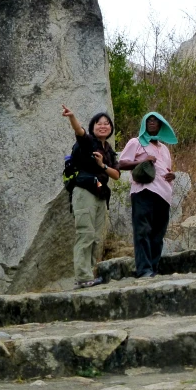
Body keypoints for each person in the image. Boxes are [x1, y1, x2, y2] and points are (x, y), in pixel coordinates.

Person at [61, 105, 120, 289]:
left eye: (106, 124)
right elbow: (79, 132)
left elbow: (116, 175)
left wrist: (102, 165)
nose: (103, 126)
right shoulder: (89, 142)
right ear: (93, 127)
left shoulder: (108, 150)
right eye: (98, 123)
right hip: (84, 190)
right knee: (85, 234)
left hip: (100, 193)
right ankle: (82, 277)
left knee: (95, 237)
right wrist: (72, 117)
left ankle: (89, 273)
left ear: (111, 128)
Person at [118, 112, 178, 278]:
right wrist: (142, 161)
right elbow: (121, 163)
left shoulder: (164, 149)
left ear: (161, 125)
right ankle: (144, 270)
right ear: (144, 124)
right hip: (143, 192)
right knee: (142, 231)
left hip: (163, 195)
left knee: (158, 234)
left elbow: (166, 170)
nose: (152, 123)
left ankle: (153, 268)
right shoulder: (135, 142)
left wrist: (172, 175)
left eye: (156, 121)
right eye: (149, 120)